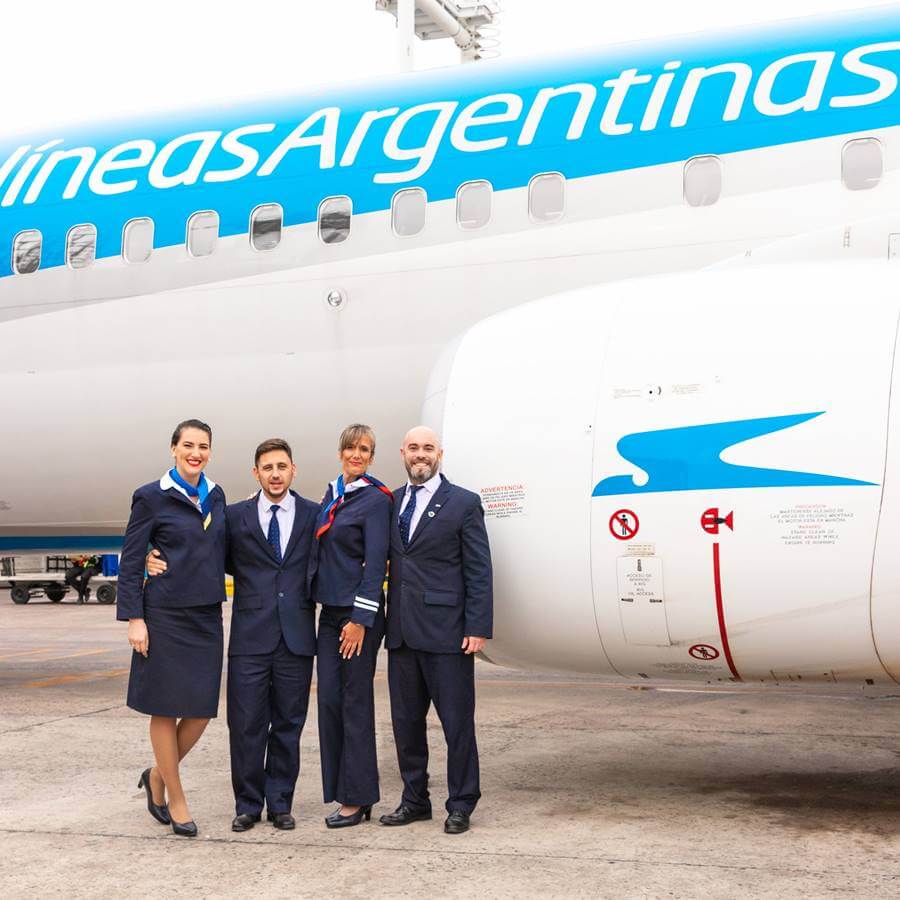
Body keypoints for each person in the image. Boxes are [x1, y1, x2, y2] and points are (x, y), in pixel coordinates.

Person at [148, 438, 319, 832]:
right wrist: (147, 554)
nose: (275, 474)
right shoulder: (234, 515)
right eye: (267, 468)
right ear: (255, 473)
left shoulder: (313, 514)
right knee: (245, 724)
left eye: (282, 467)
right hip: (249, 637)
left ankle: (280, 804)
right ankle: (247, 804)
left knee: (288, 724)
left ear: (293, 471)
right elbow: (198, 549)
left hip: (296, 636)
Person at [379, 426, 493, 835]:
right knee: (406, 725)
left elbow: (478, 569)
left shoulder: (463, 503)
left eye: (428, 448)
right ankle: (415, 801)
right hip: (402, 634)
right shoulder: (389, 502)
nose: (421, 455)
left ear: (439, 454)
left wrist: (478, 626)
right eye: (414, 448)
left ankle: (461, 803)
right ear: (403, 453)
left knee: (457, 724)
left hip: (449, 635)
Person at [117, 419, 227, 838]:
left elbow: (220, 548)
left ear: (210, 452)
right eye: (188, 445)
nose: (195, 452)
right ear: (173, 449)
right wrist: (135, 617)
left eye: (202, 446)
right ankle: (176, 799)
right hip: (162, 614)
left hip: (204, 616)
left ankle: (158, 775)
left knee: (200, 710)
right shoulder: (150, 497)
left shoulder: (215, 495)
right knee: (164, 706)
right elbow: (130, 559)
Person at [312, 423, 392, 828]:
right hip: (329, 614)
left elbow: (376, 563)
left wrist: (361, 619)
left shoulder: (376, 500)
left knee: (354, 702)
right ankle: (343, 791)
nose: (356, 455)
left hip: (358, 616)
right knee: (329, 700)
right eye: (350, 448)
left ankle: (358, 799)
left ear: (372, 457)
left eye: (364, 450)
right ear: (340, 452)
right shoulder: (332, 495)